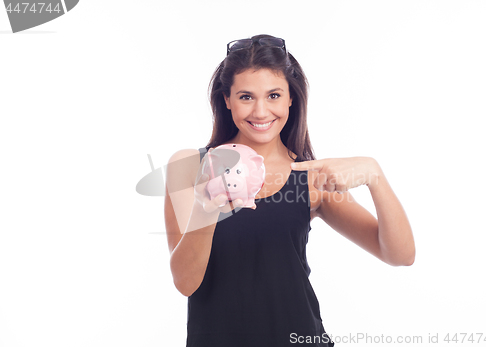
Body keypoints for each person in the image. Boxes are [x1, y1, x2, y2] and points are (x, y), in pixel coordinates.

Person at [164, 34, 416, 347]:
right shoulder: (189, 166)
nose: (260, 111)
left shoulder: (310, 177)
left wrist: (374, 174)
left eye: (273, 96)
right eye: (245, 97)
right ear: (226, 99)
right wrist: (208, 206)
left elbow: (400, 255)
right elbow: (186, 283)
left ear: (290, 99)